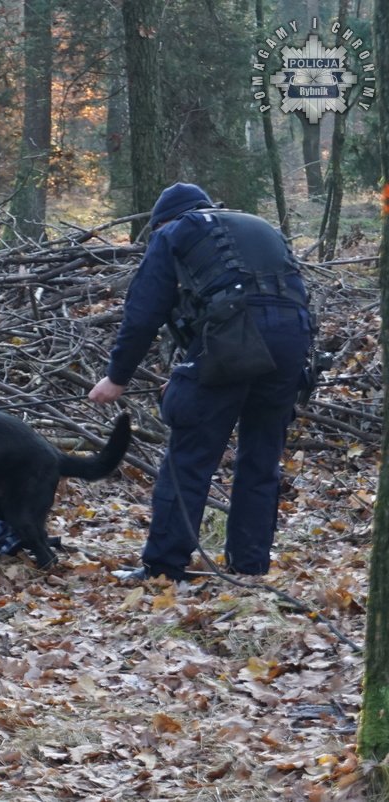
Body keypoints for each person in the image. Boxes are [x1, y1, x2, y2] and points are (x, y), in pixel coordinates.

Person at [88, 182, 313, 581]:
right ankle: (249, 566)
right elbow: (267, 295)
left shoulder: (174, 232)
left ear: (162, 223)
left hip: (235, 339)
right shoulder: (256, 226)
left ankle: (163, 568)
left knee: (189, 458)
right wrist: (192, 370)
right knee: (261, 460)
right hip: (294, 340)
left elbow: (143, 313)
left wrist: (116, 378)